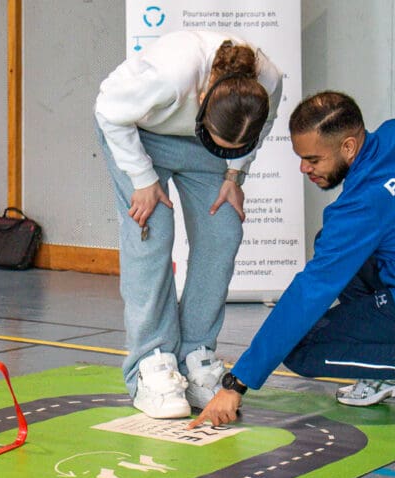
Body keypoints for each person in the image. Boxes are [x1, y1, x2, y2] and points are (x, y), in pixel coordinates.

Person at [189, 91, 395, 431]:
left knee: (301, 348)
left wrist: (238, 382)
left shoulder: (361, 207)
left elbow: (308, 295)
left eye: (313, 159)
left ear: (348, 147)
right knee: (332, 244)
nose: (304, 168)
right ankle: (385, 370)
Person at [94, 31, 282, 419]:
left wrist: (234, 172)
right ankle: (151, 361)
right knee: (151, 231)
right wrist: (142, 178)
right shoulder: (170, 75)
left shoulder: (269, 80)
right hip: (141, 136)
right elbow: (109, 110)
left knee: (224, 231)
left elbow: (260, 128)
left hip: (210, 144)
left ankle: (196, 352)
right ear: (202, 96)